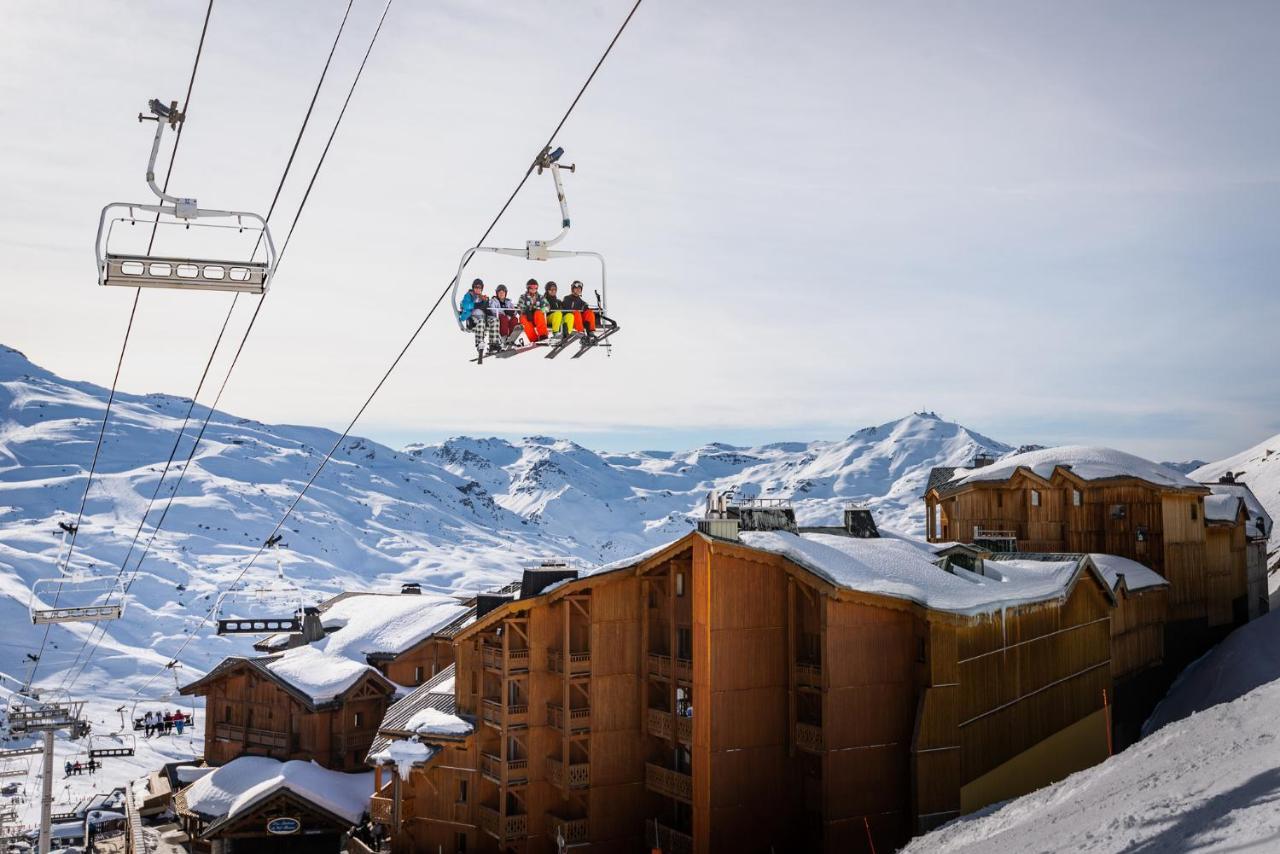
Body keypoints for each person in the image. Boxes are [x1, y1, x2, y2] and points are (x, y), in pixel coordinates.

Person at [459, 278, 498, 357]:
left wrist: (485, 303)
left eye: (479, 287)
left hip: (483, 318)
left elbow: (487, 310)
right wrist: (475, 305)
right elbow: (465, 305)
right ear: (473, 288)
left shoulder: (483, 297)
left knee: (495, 320)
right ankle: (479, 343)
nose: (478, 289)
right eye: (476, 287)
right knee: (481, 321)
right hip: (472, 320)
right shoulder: (469, 296)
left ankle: (493, 344)